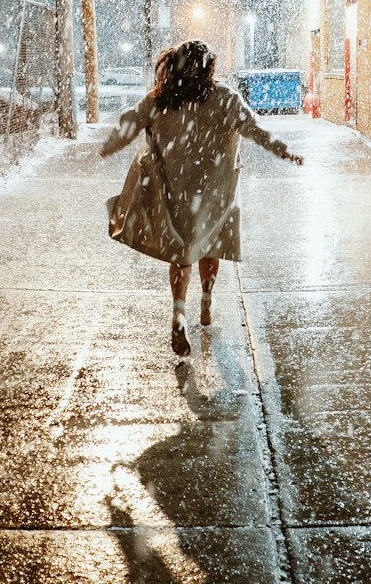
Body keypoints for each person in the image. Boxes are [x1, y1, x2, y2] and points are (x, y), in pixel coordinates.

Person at [100, 40, 303, 356]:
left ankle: (179, 312)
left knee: (182, 254)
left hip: (175, 195)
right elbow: (255, 129)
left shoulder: (160, 100)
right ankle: (206, 301)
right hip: (214, 192)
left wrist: (109, 146)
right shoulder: (225, 98)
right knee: (211, 244)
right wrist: (283, 150)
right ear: (209, 68)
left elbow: (130, 122)